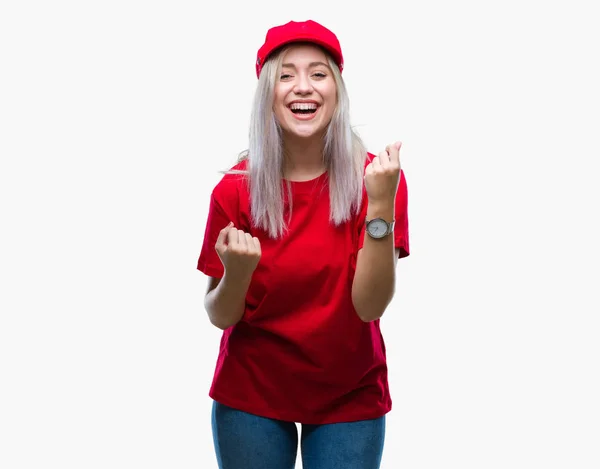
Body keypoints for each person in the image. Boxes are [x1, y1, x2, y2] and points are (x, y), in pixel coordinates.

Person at [196, 19, 410, 469]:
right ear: (268, 94)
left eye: (318, 73)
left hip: (350, 393)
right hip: (251, 393)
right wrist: (237, 273)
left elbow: (370, 306)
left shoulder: (377, 180)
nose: (303, 87)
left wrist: (380, 207)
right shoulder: (235, 191)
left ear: (337, 89)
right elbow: (219, 314)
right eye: (286, 75)